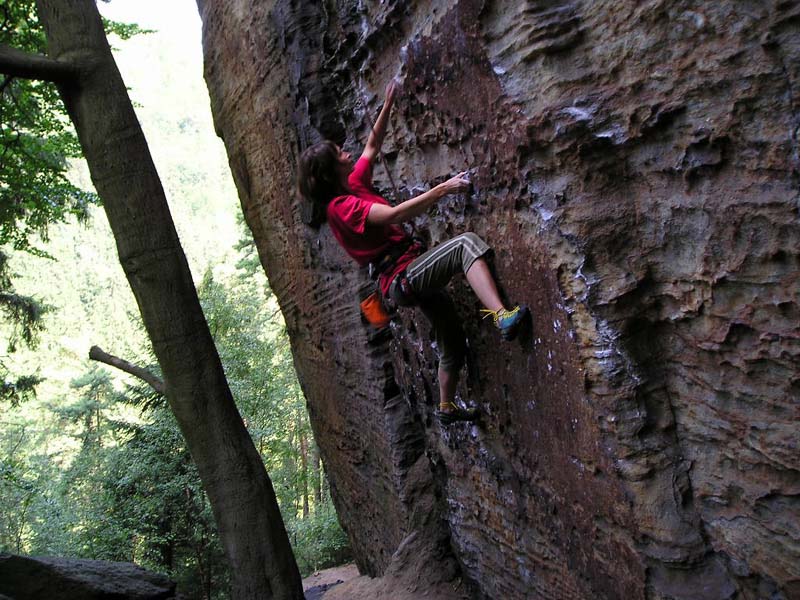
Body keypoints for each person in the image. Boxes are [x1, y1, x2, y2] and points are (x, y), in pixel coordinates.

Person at [298, 81, 528, 424]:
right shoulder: (341, 207)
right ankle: (502, 315)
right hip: (404, 276)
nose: (347, 152)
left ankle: (446, 406)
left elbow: (372, 145)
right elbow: (392, 216)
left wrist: (389, 100)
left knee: (451, 337)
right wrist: (443, 189)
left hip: (405, 276)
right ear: (333, 171)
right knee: (465, 245)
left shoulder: (353, 185)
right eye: (340, 154)